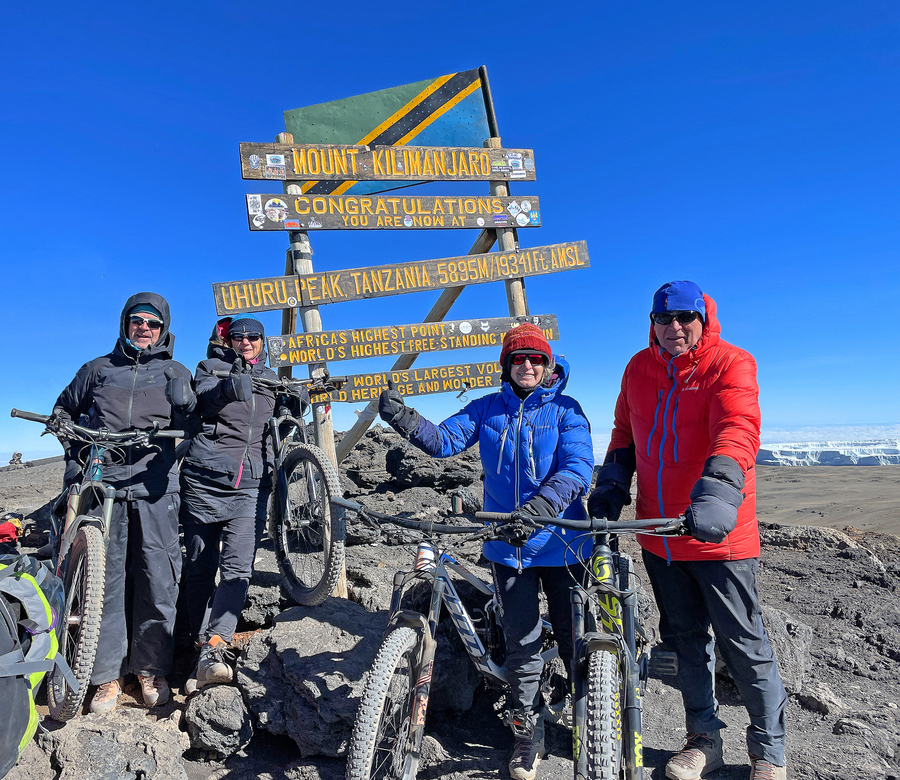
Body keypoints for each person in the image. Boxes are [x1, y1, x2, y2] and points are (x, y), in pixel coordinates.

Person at [588, 281, 786, 780]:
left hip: (719, 533)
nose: (673, 327)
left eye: (683, 318)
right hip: (660, 533)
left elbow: (739, 426)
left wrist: (719, 491)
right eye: (663, 319)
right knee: (685, 642)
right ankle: (704, 741)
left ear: (702, 318)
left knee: (743, 642)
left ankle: (769, 753)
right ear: (651, 323)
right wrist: (612, 482)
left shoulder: (731, 363)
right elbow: (625, 433)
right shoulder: (638, 368)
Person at [378, 323, 594, 780]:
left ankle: (587, 719)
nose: (528, 365)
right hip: (506, 547)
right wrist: (404, 419)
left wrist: (539, 508)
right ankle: (526, 735)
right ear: (507, 365)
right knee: (522, 643)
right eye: (519, 358)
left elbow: (578, 468)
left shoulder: (567, 411)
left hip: (562, 545)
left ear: (548, 363)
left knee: (576, 640)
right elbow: (444, 441)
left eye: (536, 358)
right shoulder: (487, 410)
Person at [53, 293, 196, 713]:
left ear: (164, 328)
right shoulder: (97, 369)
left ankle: (151, 671)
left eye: (153, 323)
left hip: (155, 487)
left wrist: (185, 409)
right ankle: (105, 676)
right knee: (106, 579)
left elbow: (193, 429)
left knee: (158, 576)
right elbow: (63, 409)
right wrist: (74, 443)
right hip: (105, 483)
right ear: (125, 323)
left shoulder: (175, 370)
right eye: (138, 321)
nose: (145, 328)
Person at [179, 316, 277, 692]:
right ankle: (199, 647)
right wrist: (228, 389)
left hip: (251, 486)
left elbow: (276, 417)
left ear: (262, 341)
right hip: (205, 480)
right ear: (228, 340)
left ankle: (215, 647)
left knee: (237, 568)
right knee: (200, 568)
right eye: (239, 336)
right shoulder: (211, 367)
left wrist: (293, 403)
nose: (247, 341)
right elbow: (201, 398)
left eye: (254, 337)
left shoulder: (269, 375)